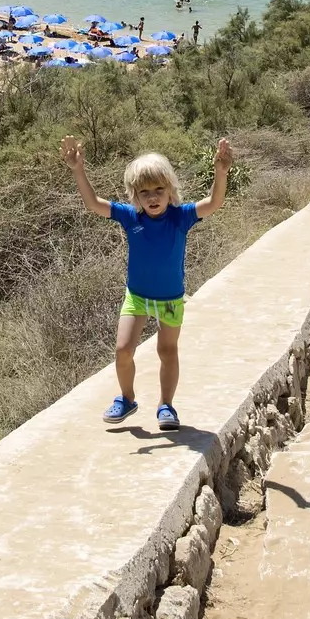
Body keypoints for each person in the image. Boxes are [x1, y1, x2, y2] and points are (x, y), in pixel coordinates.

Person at [63, 136, 232, 431]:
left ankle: (166, 405)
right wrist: (78, 170)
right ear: (135, 196)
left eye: (159, 190)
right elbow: (93, 204)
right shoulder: (130, 217)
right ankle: (127, 398)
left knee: (167, 352)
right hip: (137, 297)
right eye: (144, 192)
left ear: (170, 191)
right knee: (123, 350)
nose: (152, 197)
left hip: (170, 299)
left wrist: (221, 172)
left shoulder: (181, 217)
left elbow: (214, 203)